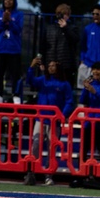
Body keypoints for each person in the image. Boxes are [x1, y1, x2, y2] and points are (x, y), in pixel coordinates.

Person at [23, 56, 74, 186]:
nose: (50, 67)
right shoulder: (43, 80)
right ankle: (30, 173)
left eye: (53, 65)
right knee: (35, 145)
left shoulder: (64, 84)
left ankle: (48, 175)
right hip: (41, 119)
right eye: (49, 65)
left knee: (52, 149)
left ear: (58, 68)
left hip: (54, 121)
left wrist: (61, 115)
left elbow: (69, 101)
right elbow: (30, 81)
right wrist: (31, 67)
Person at [0, 0, 24, 98]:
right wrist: (3, 21)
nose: (8, 1)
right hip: (0, 49)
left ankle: (16, 95)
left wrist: (10, 21)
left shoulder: (19, 14)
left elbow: (18, 30)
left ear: (14, 1)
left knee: (15, 75)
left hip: (13, 49)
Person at [40, 3, 80, 87]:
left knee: (66, 87)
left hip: (66, 65)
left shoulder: (72, 27)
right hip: (50, 63)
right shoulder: (49, 28)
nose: (64, 16)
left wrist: (65, 28)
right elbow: (43, 46)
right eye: (61, 14)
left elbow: (75, 40)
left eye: (66, 14)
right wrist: (42, 61)